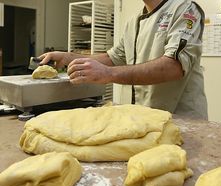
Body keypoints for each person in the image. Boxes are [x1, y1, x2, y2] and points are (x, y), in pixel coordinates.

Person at [39, 0, 208, 120]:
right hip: (147, 118)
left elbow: (174, 66)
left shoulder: (185, 9)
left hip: (182, 120)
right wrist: (67, 57)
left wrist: (107, 74)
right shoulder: (133, 22)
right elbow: (112, 57)